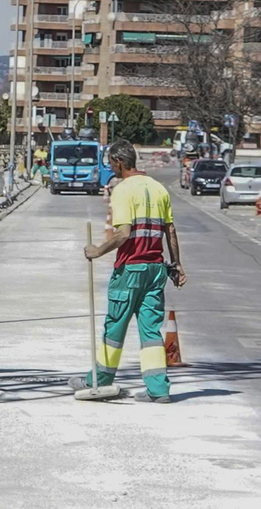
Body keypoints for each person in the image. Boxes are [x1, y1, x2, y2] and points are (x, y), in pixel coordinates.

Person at [71, 140, 187, 404]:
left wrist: (97, 251)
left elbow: (123, 234)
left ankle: (98, 381)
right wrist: (176, 264)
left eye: (110, 163)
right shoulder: (159, 188)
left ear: (119, 163)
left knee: (115, 328)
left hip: (130, 270)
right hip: (156, 270)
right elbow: (170, 230)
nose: (109, 167)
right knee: (150, 331)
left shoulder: (123, 191)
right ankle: (158, 390)